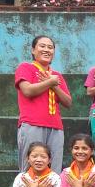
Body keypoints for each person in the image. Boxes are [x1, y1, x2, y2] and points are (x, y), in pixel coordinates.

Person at [15, 35, 72, 170]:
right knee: (30, 168)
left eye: (50, 47)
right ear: (33, 50)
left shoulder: (57, 76)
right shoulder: (25, 67)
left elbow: (68, 102)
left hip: (56, 127)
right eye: (42, 46)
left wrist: (54, 85)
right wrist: (50, 82)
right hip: (32, 124)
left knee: (54, 170)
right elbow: (27, 91)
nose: (47, 50)